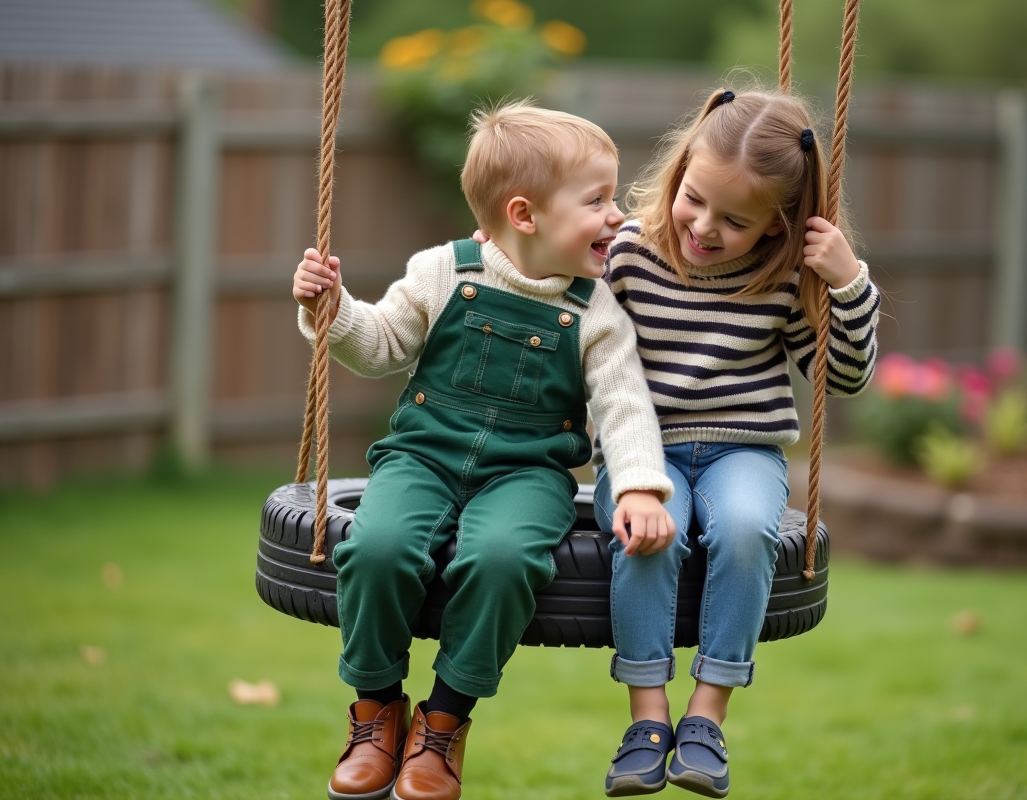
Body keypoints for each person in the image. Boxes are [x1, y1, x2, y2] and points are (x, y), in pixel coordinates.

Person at [292, 100, 676, 800]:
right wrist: (332, 309)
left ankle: (442, 726)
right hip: (422, 459)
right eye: (597, 200)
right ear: (526, 215)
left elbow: (624, 408)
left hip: (526, 474)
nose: (617, 215)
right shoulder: (443, 271)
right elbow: (379, 345)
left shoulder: (597, 311)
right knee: (376, 548)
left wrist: (643, 486)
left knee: (502, 559)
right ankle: (376, 711)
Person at [595, 87, 881, 798]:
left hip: (743, 448)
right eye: (695, 198)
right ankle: (647, 718)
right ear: (681, 168)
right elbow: (570, 323)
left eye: (736, 219)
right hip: (644, 451)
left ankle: (707, 717)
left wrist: (847, 284)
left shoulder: (783, 275)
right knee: (648, 534)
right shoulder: (629, 251)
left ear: (779, 225)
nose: (704, 226)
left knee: (752, 529)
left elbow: (839, 377)